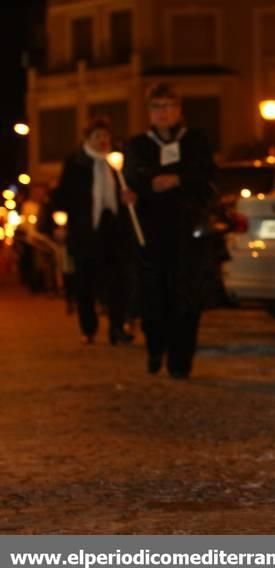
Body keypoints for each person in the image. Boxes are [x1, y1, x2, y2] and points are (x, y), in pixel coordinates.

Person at [123, 83, 216, 379]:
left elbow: (206, 179)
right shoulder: (138, 145)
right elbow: (131, 178)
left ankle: (180, 360)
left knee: (186, 297)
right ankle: (154, 348)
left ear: (179, 109)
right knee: (153, 295)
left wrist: (178, 180)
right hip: (150, 234)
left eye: (168, 106)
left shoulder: (197, 141)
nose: (163, 113)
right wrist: (142, 187)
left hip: (187, 233)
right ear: (149, 112)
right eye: (157, 106)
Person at [51, 117, 136, 345]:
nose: (102, 141)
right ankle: (88, 328)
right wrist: (61, 224)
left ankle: (117, 327)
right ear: (87, 139)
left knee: (117, 281)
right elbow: (63, 195)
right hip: (85, 230)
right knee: (85, 283)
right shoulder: (76, 163)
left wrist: (128, 196)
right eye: (97, 137)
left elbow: (129, 188)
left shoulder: (116, 163)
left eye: (106, 137)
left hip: (113, 229)